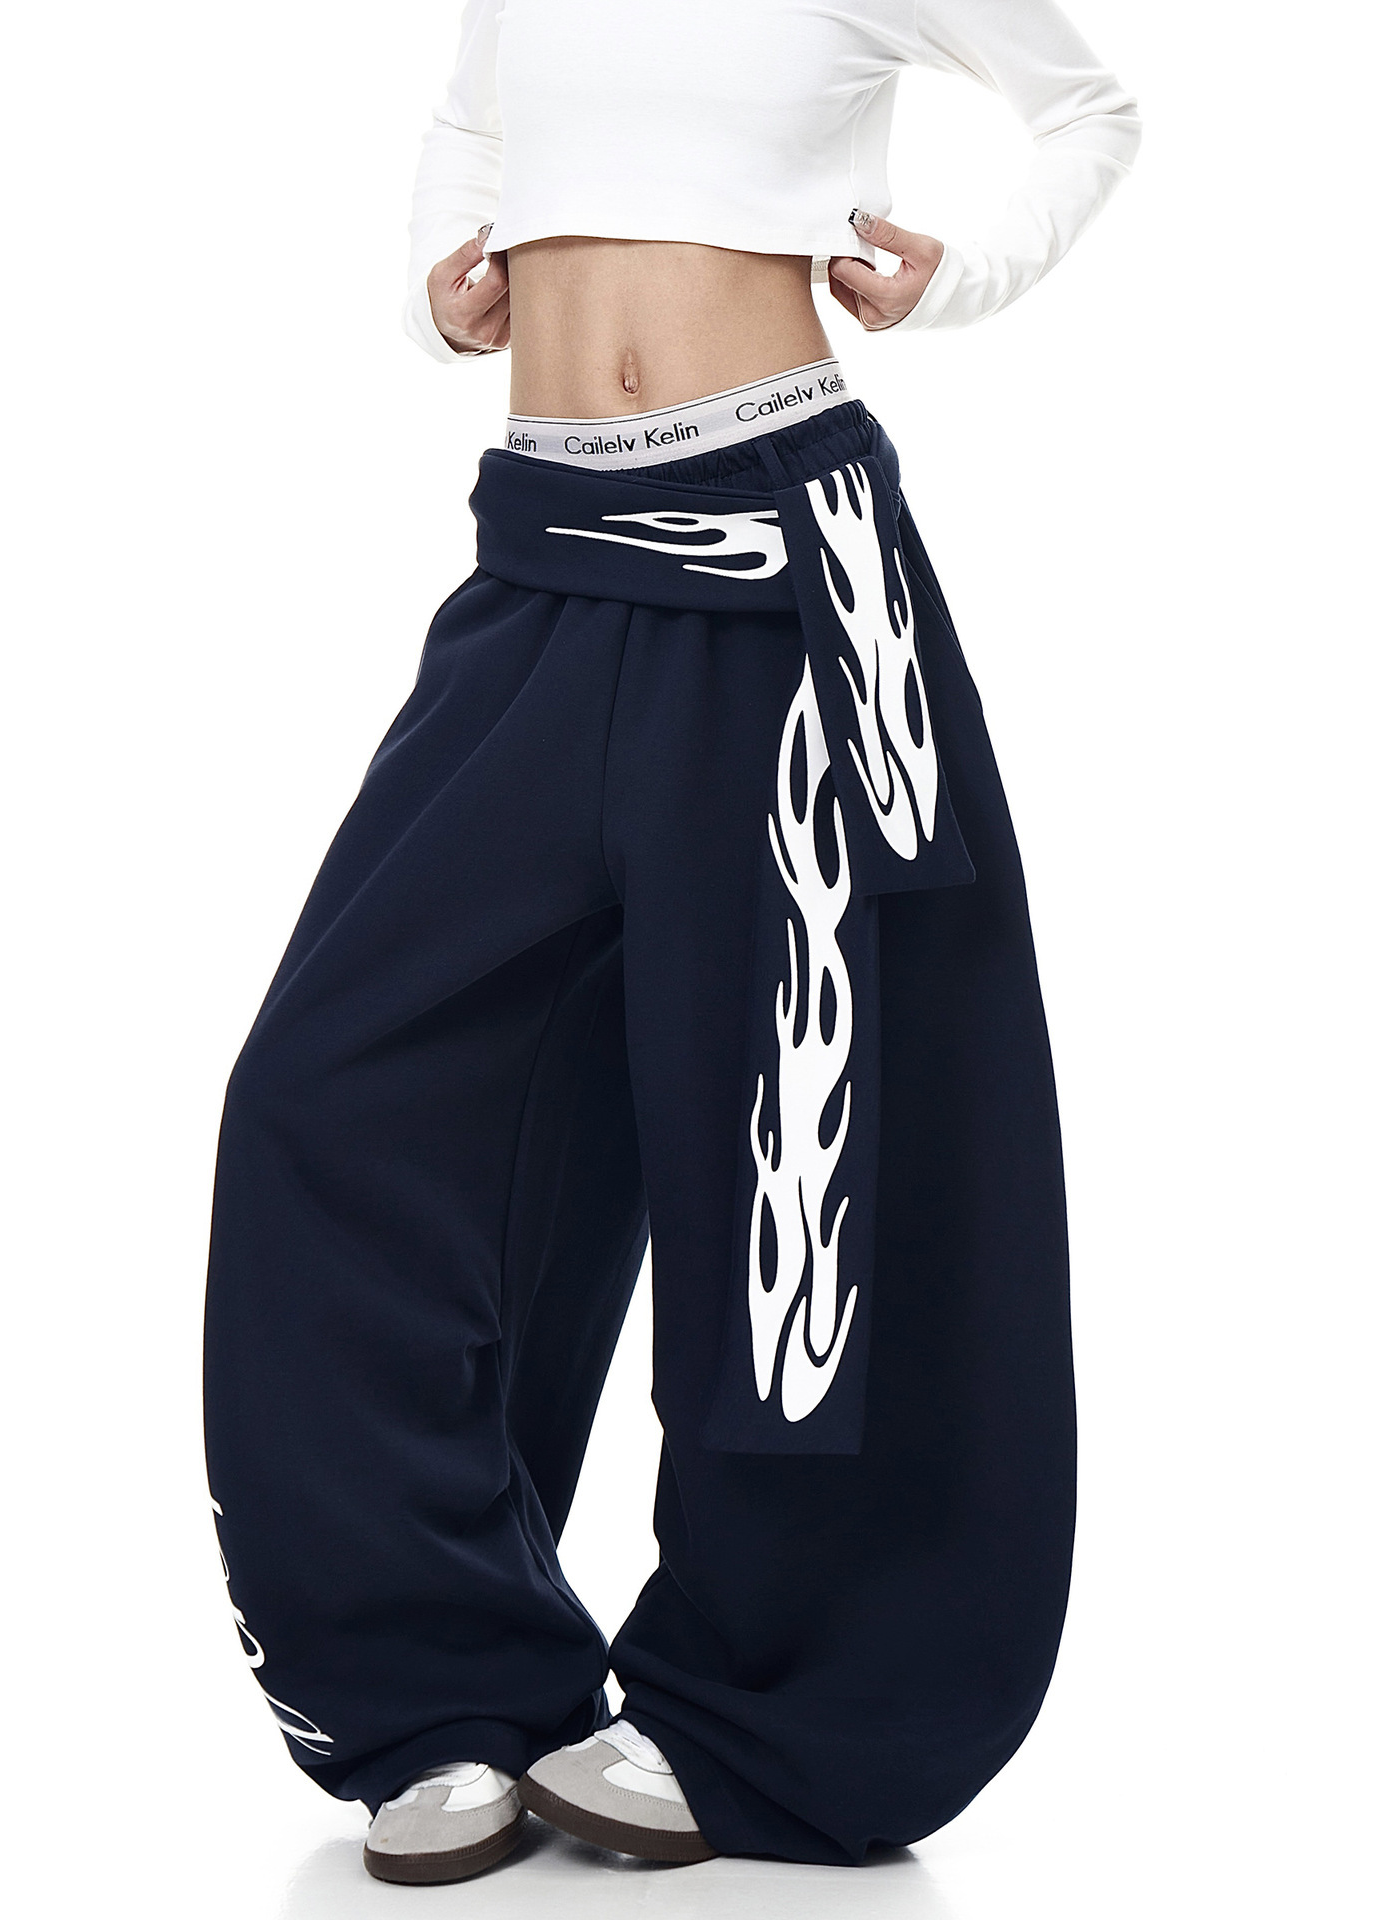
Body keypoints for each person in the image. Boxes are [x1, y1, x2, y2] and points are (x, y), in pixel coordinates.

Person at [203, 0, 1140, 1886]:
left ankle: (775, 1705)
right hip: (540, 561)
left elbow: (1092, 114)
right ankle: (441, 1675)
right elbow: (472, 130)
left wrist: (961, 278)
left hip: (788, 562)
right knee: (333, 1100)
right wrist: (443, 285)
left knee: (798, 1148)